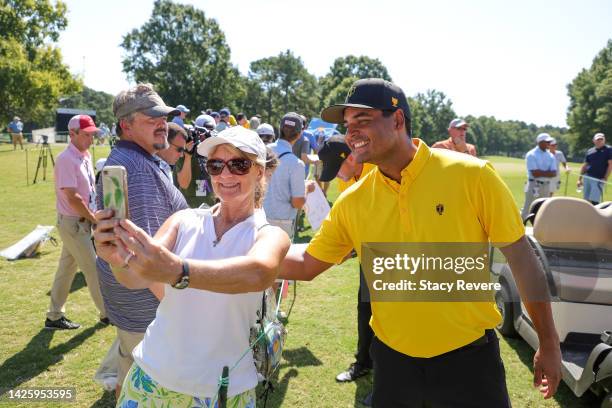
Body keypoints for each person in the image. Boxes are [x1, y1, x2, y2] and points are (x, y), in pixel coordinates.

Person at [278, 78, 561, 407]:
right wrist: (235, 254)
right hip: (394, 368)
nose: (351, 132)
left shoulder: (474, 176)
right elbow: (307, 263)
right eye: (348, 124)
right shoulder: (353, 200)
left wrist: (549, 341)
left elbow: (522, 259)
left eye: (363, 121)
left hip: (470, 365)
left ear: (397, 121)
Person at [93, 125, 290, 407]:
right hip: (152, 377)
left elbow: (259, 272)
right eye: (215, 165)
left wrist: (178, 271)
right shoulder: (183, 220)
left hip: (223, 391)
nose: (225, 175)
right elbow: (136, 278)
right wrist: (116, 259)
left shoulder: (270, 234)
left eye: (238, 164)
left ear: (259, 171)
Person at [96, 83, 188, 396]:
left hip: (140, 302)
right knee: (151, 388)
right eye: (151, 118)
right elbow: (141, 254)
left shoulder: (139, 160)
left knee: (133, 373)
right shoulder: (133, 168)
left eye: (163, 116)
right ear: (126, 125)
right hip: (148, 304)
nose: (162, 123)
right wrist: (181, 304)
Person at [317, 135, 377, 384]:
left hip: (395, 251)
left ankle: (388, 377)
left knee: (388, 314)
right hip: (369, 253)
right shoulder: (346, 182)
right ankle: (364, 362)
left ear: (351, 156)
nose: (337, 176)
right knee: (365, 309)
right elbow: (352, 221)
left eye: (337, 168)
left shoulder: (378, 170)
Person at [45, 114, 107, 330]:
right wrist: (93, 219)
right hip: (74, 223)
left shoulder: (85, 155)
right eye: (87, 134)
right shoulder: (66, 159)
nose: (92, 138)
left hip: (80, 222)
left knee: (66, 269)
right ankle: (107, 314)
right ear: (72, 134)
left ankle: (54, 316)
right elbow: (73, 197)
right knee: (94, 268)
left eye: (93, 134)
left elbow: (87, 192)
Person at [263, 112, 315, 239]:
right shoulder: (296, 164)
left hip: (258, 217)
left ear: (280, 129)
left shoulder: (262, 150)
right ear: (299, 134)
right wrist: (307, 188)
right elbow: (297, 203)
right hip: (281, 222)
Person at [175, 114, 217, 208]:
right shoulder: (186, 153)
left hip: (210, 207)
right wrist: (188, 156)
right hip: (190, 208)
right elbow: (184, 184)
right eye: (203, 133)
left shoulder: (213, 152)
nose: (205, 137)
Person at [521, 133, 557, 220]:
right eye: (547, 142)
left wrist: (541, 172)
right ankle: (520, 229)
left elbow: (554, 173)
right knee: (528, 207)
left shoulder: (551, 155)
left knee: (543, 207)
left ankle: (539, 229)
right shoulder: (531, 154)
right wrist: (548, 173)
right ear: (540, 142)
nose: (549, 144)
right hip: (534, 185)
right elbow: (535, 173)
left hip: (546, 185)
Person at [577, 132, 611, 205]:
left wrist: (605, 178)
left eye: (601, 139)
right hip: (587, 177)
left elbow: (610, 165)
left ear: (604, 140)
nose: (599, 141)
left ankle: (596, 216)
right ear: (594, 141)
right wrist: (579, 179)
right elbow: (585, 165)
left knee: (595, 201)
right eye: (598, 139)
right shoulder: (590, 151)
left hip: (598, 179)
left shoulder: (609, 150)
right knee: (585, 200)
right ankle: (587, 215)